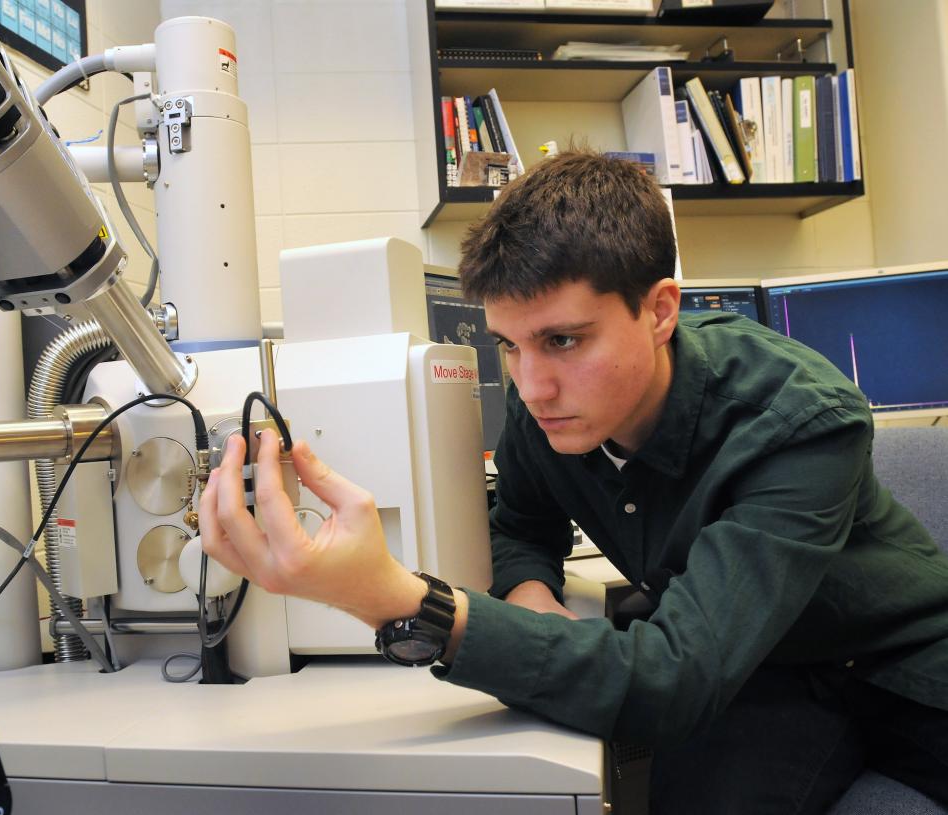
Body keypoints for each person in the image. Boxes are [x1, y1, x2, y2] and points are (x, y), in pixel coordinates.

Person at [199, 150, 948, 813]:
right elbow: (522, 521)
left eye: (562, 340)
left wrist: (397, 597)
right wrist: (530, 591)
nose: (530, 386)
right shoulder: (550, 413)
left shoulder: (799, 422)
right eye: (510, 347)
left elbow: (671, 680)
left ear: (659, 310)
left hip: (902, 664)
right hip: (762, 674)